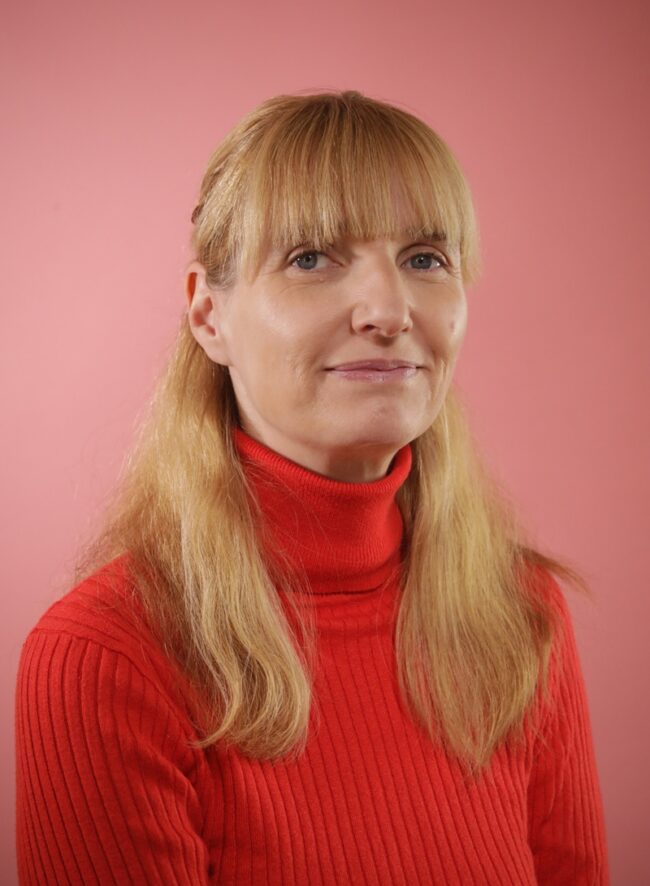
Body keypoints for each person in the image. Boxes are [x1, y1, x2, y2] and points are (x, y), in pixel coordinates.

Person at [15, 90, 610, 885]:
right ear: (208, 314)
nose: (389, 311)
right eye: (311, 258)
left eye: (425, 259)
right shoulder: (104, 659)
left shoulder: (522, 612)